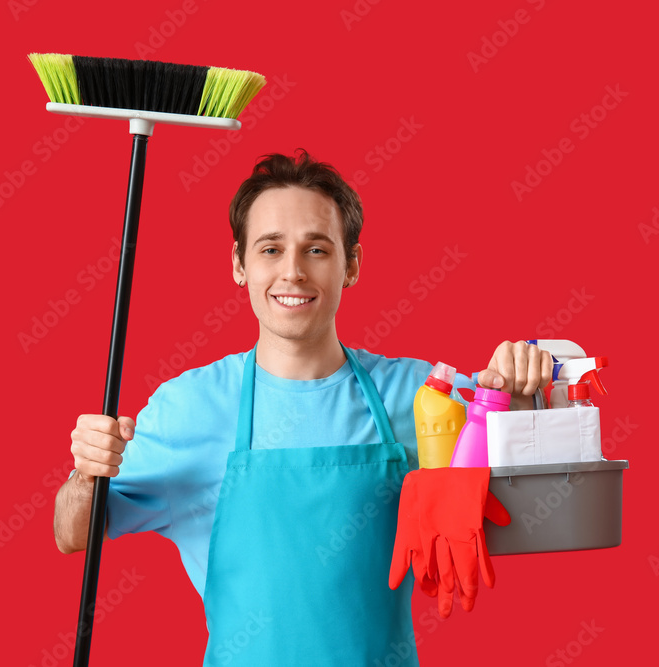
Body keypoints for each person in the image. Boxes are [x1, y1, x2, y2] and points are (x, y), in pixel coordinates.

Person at [54, 149, 552, 666]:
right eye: (270, 249)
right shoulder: (188, 407)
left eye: (316, 249)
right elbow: (72, 534)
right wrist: (86, 472)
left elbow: (535, 474)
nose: (292, 272)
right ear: (238, 265)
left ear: (352, 264)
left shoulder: (423, 396)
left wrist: (521, 389)